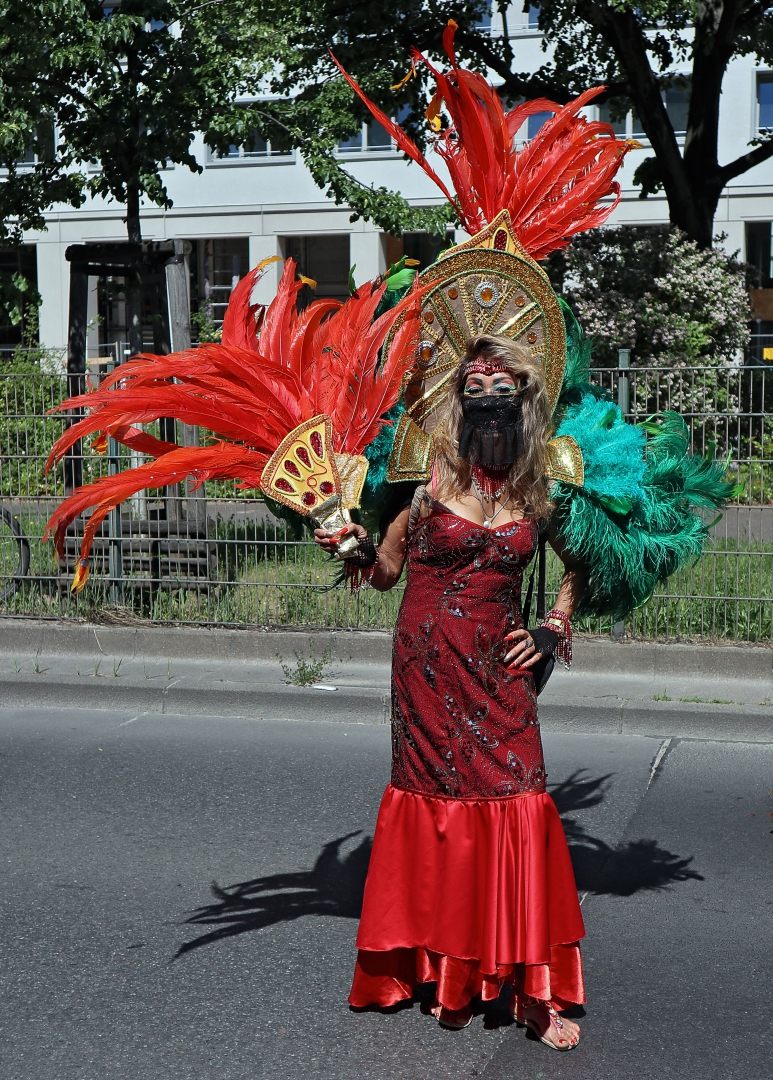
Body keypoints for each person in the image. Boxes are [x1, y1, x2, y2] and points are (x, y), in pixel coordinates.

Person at [314, 334, 587, 1051]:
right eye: (474, 392)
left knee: (519, 796)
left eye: (502, 392)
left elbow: (584, 567)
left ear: (523, 402)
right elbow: (384, 573)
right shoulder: (425, 476)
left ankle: (529, 988)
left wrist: (554, 626)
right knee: (439, 802)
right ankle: (442, 972)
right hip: (426, 666)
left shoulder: (543, 485)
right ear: (457, 403)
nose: (488, 406)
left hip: (501, 671)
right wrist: (349, 545)